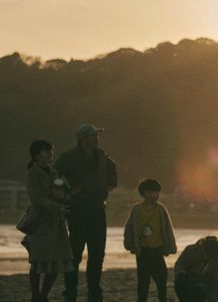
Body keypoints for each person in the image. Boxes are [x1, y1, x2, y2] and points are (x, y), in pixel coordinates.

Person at [55, 123, 118, 302]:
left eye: (97, 135)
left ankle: (94, 291)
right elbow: (53, 175)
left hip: (98, 209)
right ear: (83, 138)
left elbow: (113, 172)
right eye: (93, 135)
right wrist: (67, 190)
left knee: (97, 254)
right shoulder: (69, 157)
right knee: (74, 254)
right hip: (78, 210)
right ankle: (70, 291)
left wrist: (108, 186)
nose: (97, 138)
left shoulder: (101, 155)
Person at [24, 140, 74, 302]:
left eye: (51, 151)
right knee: (38, 262)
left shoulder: (53, 171)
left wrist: (66, 198)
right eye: (47, 151)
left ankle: (43, 296)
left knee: (56, 262)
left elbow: (59, 191)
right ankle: (36, 295)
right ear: (37, 154)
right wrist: (58, 206)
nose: (51, 154)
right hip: (40, 221)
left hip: (56, 222)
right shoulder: (32, 172)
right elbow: (37, 198)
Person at [124, 178, 177, 302]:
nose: (156, 195)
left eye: (157, 192)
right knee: (143, 280)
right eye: (153, 192)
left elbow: (168, 228)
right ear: (145, 193)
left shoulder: (160, 209)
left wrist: (170, 246)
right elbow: (130, 228)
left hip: (157, 249)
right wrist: (130, 244)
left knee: (161, 278)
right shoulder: (137, 209)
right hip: (143, 250)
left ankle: (162, 298)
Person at [174, 236, 218, 302]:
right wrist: (181, 274)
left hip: (205, 287)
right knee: (180, 282)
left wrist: (211, 298)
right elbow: (180, 265)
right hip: (188, 282)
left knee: (199, 293)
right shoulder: (190, 250)